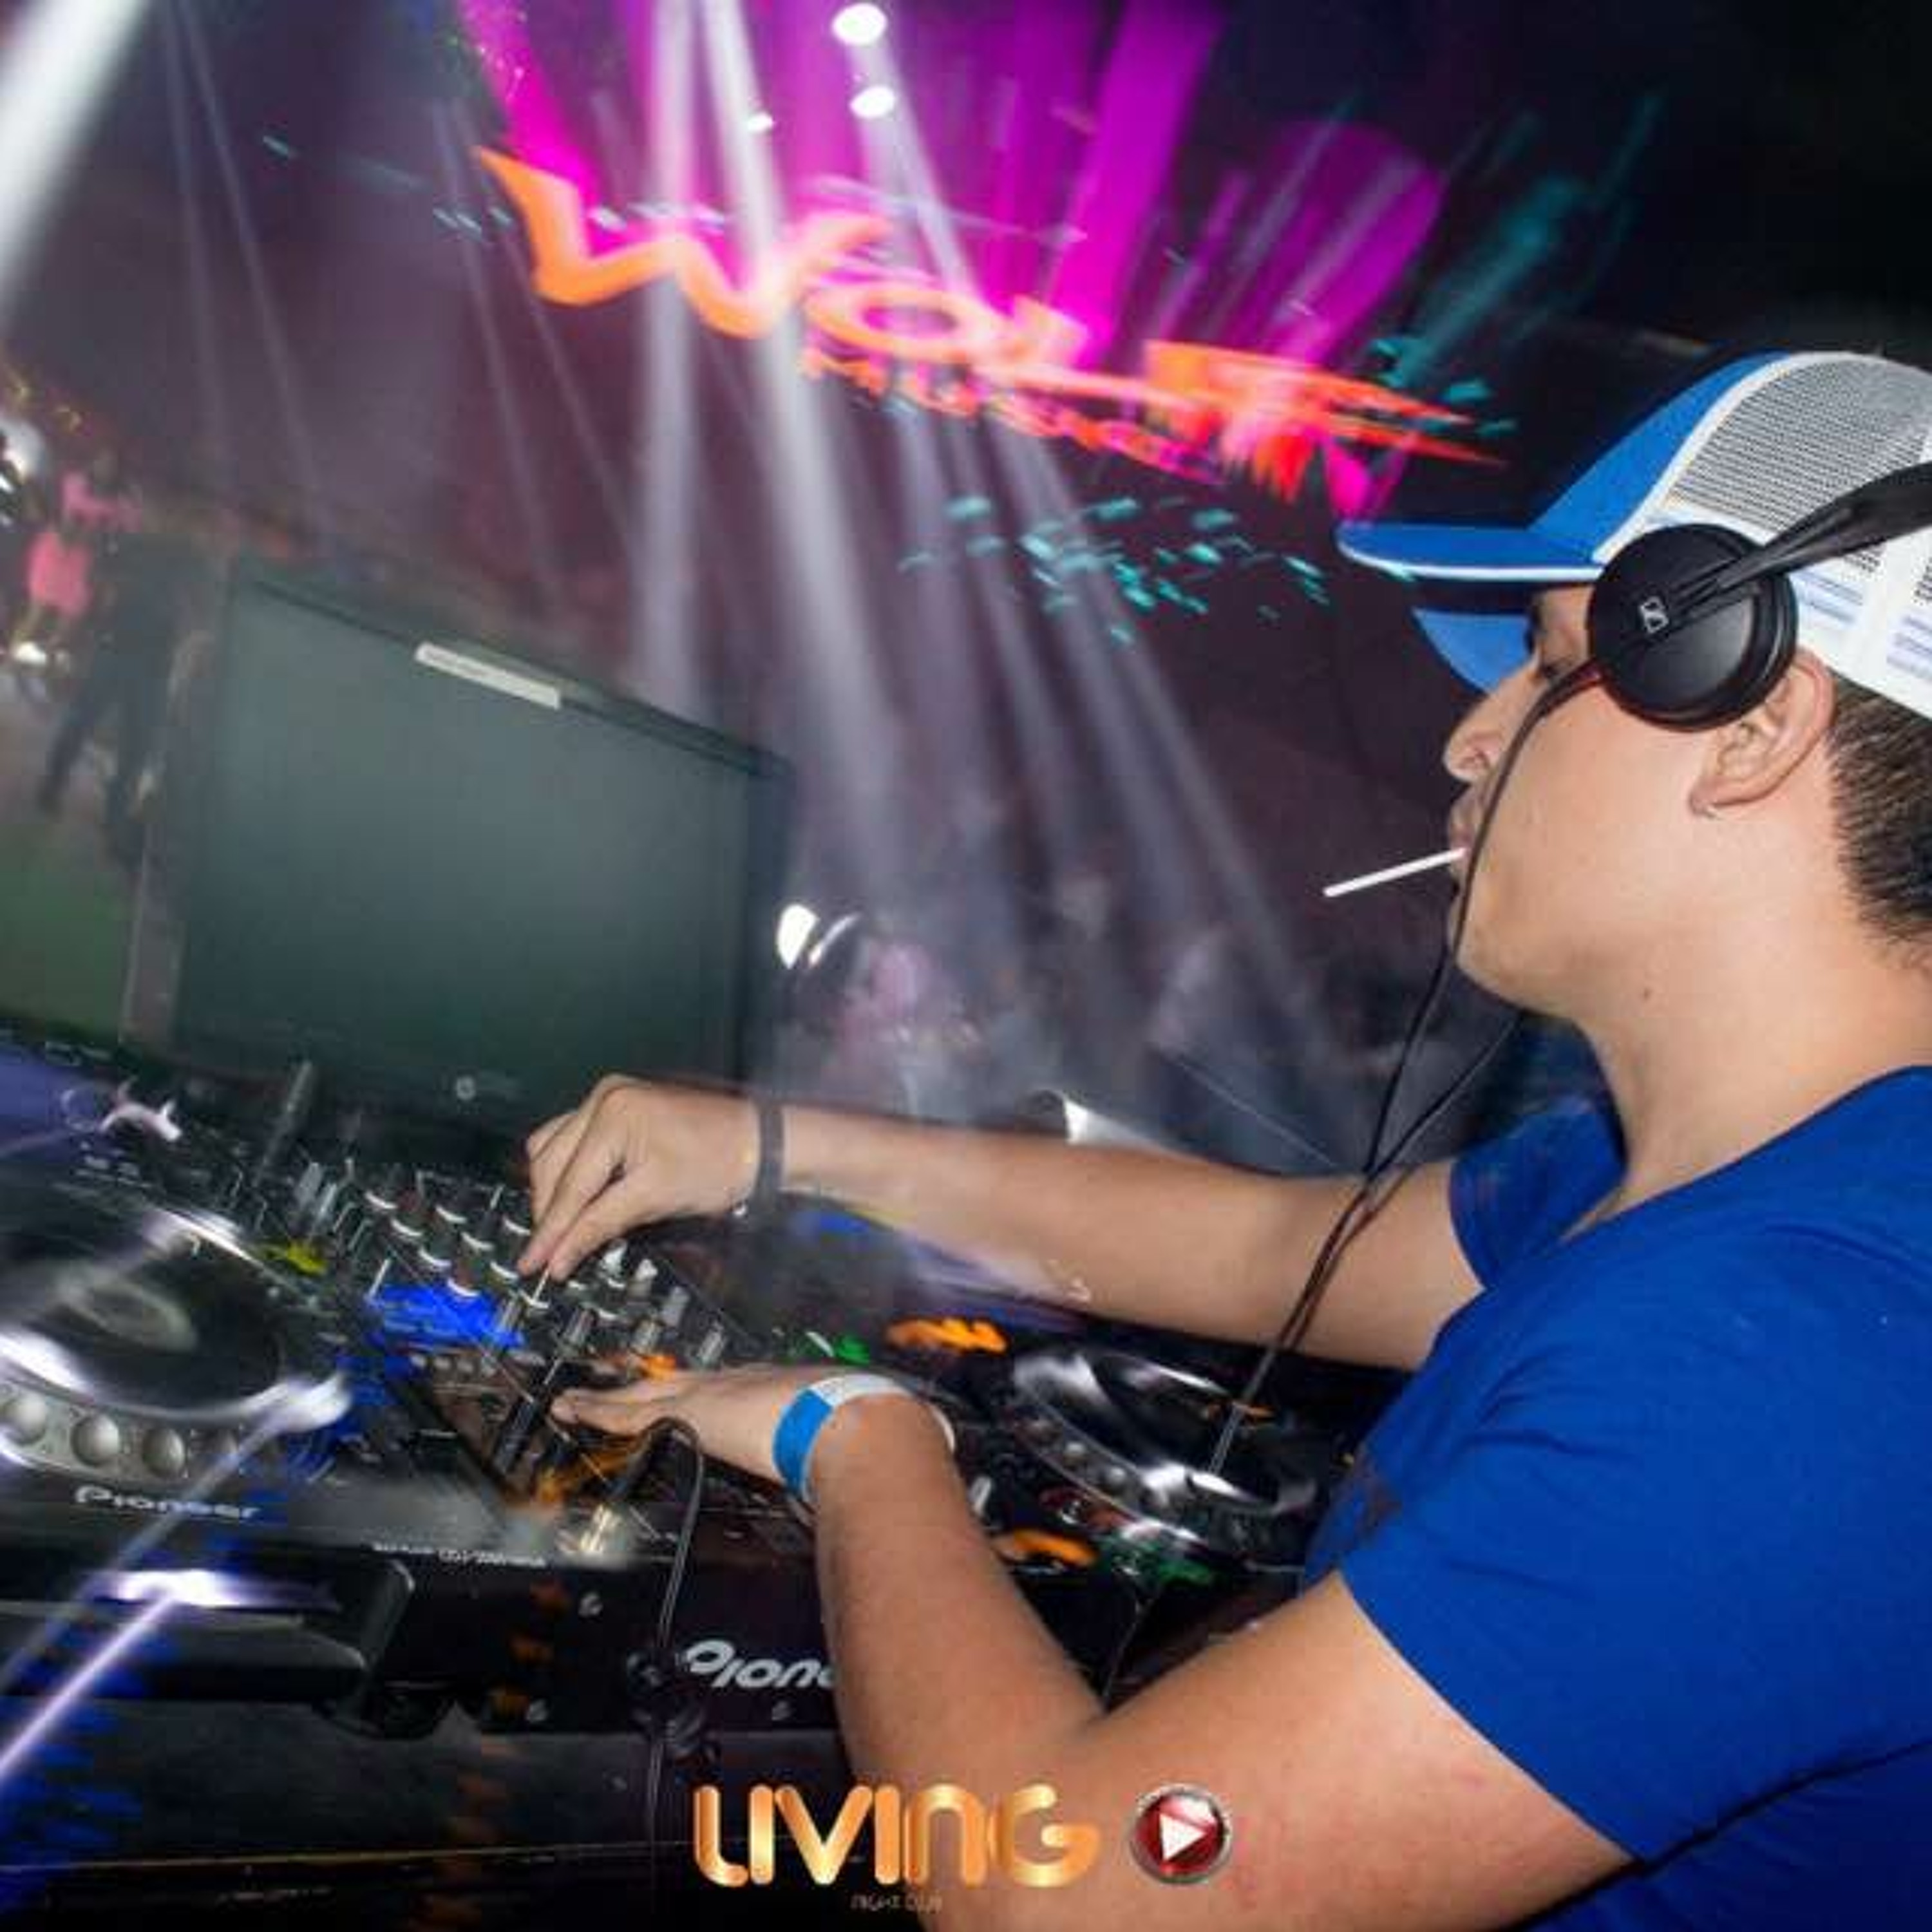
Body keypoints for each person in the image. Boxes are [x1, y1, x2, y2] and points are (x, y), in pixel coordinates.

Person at [516, 352, 1932, 1929]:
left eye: (1542, 666)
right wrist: (771, 1145)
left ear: (1747, 723)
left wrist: (857, 1439)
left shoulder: (1811, 1353)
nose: (1470, 741)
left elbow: (1058, 1899)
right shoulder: (1676, 1172)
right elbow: (1264, 1247)